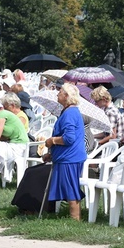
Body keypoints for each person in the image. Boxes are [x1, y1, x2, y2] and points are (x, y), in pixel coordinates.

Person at [43, 83, 87, 221]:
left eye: (60, 91)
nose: (57, 94)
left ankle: (75, 220)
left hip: (70, 158)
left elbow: (69, 138)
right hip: (67, 156)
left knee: (71, 190)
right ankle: (75, 219)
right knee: (70, 188)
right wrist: (52, 154)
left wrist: (52, 141)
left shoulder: (69, 113)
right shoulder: (70, 111)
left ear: (66, 96)